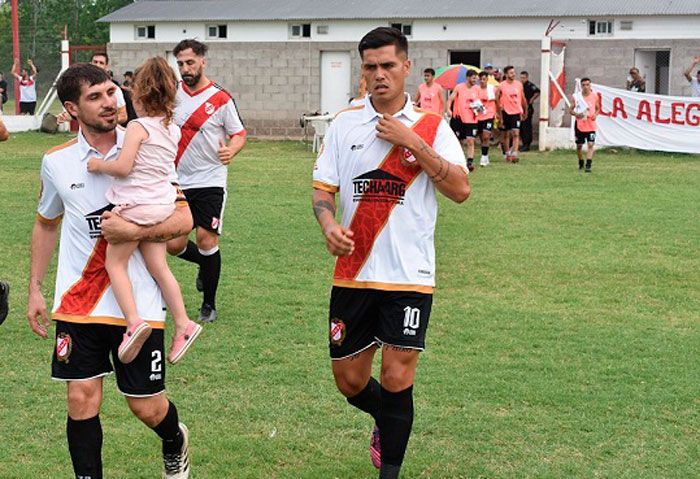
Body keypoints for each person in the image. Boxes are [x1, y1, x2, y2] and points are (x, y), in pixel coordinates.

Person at [312, 27, 470, 479]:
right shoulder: (343, 124)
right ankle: (388, 418)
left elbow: (460, 189)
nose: (379, 75)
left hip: (410, 275)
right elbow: (323, 189)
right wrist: (328, 225)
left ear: (405, 66)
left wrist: (412, 143)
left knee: (399, 377)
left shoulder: (432, 127)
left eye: (387, 66)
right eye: (370, 67)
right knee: (351, 381)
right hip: (353, 274)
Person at [27, 63, 193, 478]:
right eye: (95, 96)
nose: (109, 102)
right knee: (81, 398)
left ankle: (175, 439)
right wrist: (34, 288)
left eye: (110, 92)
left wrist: (133, 227)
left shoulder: (147, 140)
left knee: (146, 406)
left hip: (137, 302)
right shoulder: (57, 162)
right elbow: (46, 223)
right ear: (71, 108)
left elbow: (182, 224)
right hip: (78, 302)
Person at [86, 57, 202, 365]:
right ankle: (184, 323)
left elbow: (124, 168)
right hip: (161, 206)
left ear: (137, 95)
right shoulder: (172, 130)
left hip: (135, 207)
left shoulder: (137, 127)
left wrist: (99, 165)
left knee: (115, 264)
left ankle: (134, 321)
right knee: (159, 267)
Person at [166, 39, 247, 323]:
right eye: (180, 64)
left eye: (190, 62)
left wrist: (231, 150)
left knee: (205, 238)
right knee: (173, 245)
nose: (185, 69)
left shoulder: (221, 99)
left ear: (203, 61)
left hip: (210, 179)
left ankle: (208, 305)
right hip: (176, 180)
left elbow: (239, 133)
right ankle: (204, 262)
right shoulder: (171, 94)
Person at [447, 69, 480, 171]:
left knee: (470, 140)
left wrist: (479, 108)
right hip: (459, 118)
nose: (475, 80)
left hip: (471, 119)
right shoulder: (459, 87)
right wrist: (448, 109)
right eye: (474, 78)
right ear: (468, 77)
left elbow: (478, 103)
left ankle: (469, 162)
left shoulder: (476, 89)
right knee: (458, 141)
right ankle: (457, 161)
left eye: (476, 78)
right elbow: (450, 99)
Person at [496, 65, 527, 163]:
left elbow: (522, 98)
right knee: (505, 135)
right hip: (505, 112)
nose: (513, 74)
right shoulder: (501, 85)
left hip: (516, 112)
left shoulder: (518, 84)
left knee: (516, 133)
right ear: (506, 74)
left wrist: (525, 110)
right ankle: (507, 154)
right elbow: (496, 99)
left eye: (514, 72)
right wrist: (498, 112)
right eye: (511, 73)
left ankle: (514, 154)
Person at [569, 77, 600, 173]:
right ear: (581, 86)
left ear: (590, 85)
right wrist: (576, 114)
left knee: (590, 144)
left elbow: (598, 108)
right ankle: (581, 161)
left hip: (590, 125)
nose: (586, 87)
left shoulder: (594, 96)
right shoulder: (576, 97)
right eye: (584, 85)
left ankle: (588, 164)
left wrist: (595, 114)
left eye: (587, 85)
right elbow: (570, 110)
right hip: (580, 124)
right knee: (579, 146)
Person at [476, 70, 498, 166]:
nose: (482, 81)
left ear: (487, 79)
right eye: (480, 79)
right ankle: (485, 153)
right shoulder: (476, 90)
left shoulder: (492, 89)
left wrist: (498, 113)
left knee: (486, 136)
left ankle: (483, 157)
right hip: (478, 115)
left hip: (489, 114)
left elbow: (497, 100)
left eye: (484, 79)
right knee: (481, 137)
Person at [519, 71, 540, 151]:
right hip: (520, 108)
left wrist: (532, 99)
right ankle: (523, 143)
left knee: (526, 126)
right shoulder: (519, 85)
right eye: (521, 77)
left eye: (523, 78)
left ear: (527, 78)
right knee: (521, 127)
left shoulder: (529, 85)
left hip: (528, 108)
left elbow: (537, 91)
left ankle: (527, 144)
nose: (522, 79)